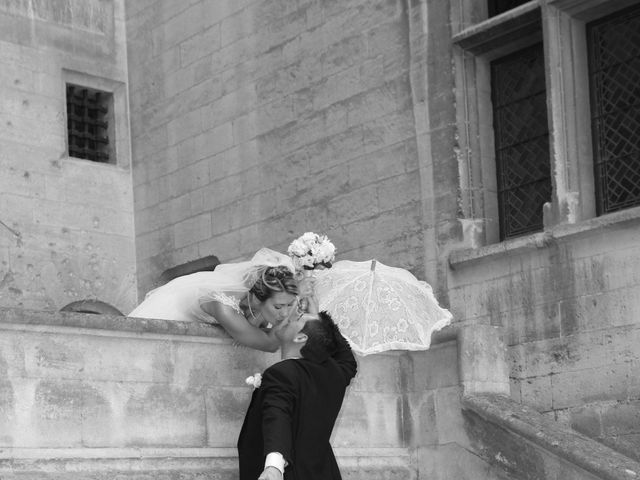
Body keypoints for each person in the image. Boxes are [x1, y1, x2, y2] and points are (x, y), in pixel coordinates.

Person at [237, 310, 357, 480]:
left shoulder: (280, 373)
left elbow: (277, 415)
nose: (289, 316)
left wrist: (274, 466)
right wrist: (324, 324)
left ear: (301, 338)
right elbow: (348, 360)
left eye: (297, 318)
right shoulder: (335, 373)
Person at [128, 248, 300, 352]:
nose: (285, 313)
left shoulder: (259, 297)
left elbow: (269, 332)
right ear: (259, 298)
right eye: (279, 307)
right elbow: (270, 345)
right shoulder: (224, 305)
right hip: (169, 312)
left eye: (290, 305)